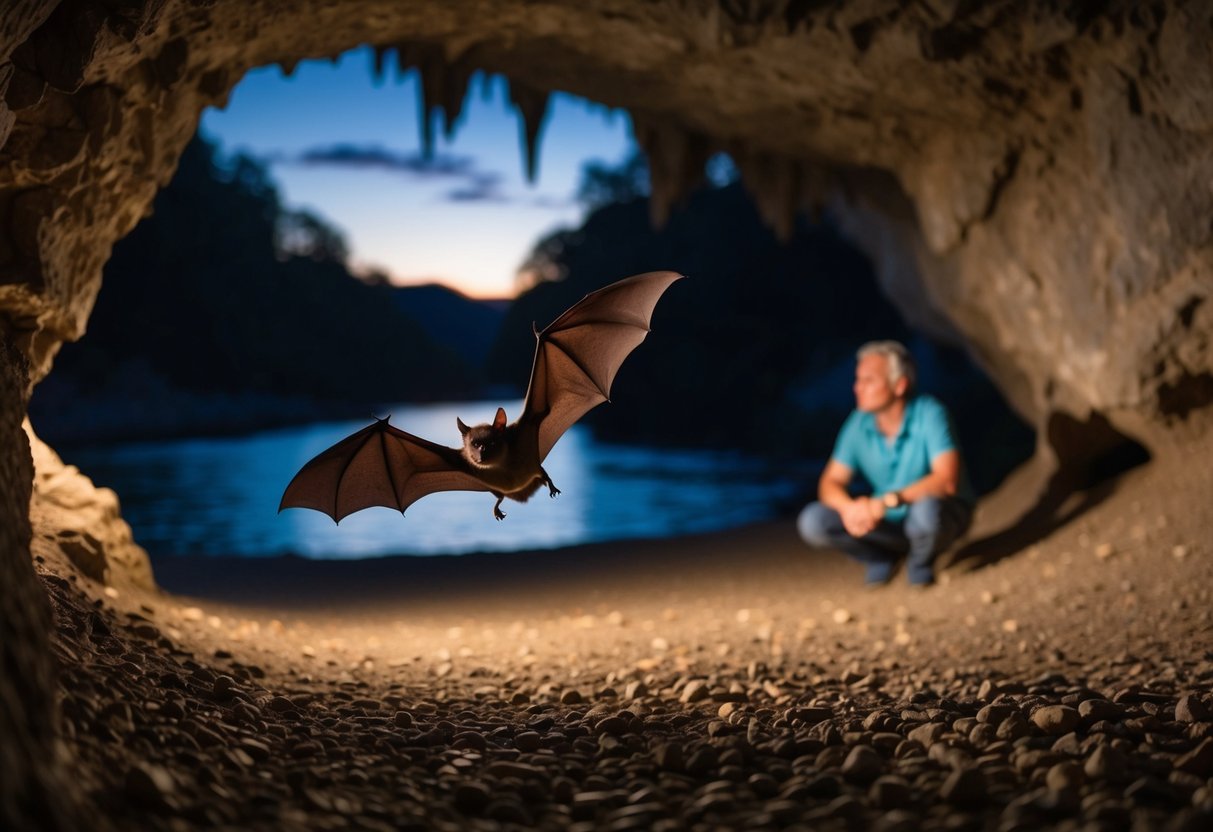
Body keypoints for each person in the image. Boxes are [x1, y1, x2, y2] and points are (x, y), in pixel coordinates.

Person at [798, 340, 975, 586]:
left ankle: (921, 561)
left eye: (868, 381)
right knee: (813, 521)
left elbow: (946, 481)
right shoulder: (858, 423)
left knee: (927, 512)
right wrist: (849, 508)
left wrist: (886, 502)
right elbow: (830, 481)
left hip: (939, 515)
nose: (857, 388)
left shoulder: (930, 413)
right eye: (858, 380)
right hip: (890, 522)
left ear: (899, 385)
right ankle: (880, 558)